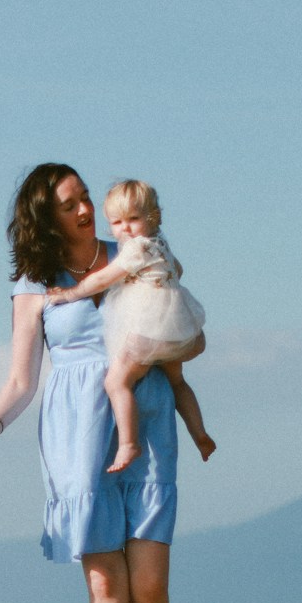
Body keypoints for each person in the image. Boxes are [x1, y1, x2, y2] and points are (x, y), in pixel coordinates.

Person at [0, 163, 207, 603]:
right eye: (69, 203)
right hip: (76, 430)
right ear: (46, 217)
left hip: (145, 418)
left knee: (149, 583)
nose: (84, 210)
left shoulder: (132, 248)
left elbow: (181, 329)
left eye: (85, 198)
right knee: (105, 581)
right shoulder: (32, 284)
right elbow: (22, 379)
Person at [45, 179, 214, 473]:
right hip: (177, 326)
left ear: (152, 218)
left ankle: (128, 443)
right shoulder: (160, 243)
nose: (125, 228)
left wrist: (71, 293)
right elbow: (180, 269)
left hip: (150, 329)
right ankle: (199, 433)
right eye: (117, 222)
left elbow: (103, 279)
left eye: (133, 219)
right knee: (177, 382)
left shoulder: (136, 248)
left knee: (117, 381)